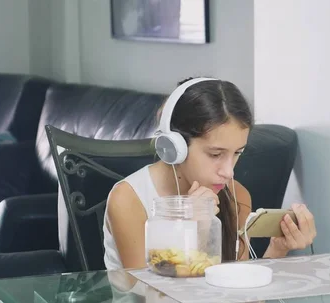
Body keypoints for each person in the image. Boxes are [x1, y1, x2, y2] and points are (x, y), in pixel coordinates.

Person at [103, 77, 317, 271]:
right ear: (175, 147)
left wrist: (277, 250)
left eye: (237, 153)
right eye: (215, 154)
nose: (229, 171)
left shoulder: (237, 196)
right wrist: (193, 233)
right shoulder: (128, 200)